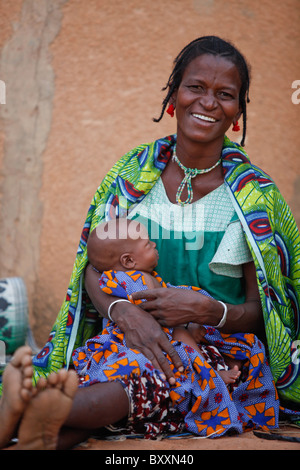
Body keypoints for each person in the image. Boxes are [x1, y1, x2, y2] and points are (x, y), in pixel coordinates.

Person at [2, 35, 299, 449]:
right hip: (126, 336)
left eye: (225, 94)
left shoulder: (253, 197)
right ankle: (34, 427)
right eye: (196, 87)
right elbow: (93, 268)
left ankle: (27, 410)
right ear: (174, 95)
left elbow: (265, 312)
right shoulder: (132, 177)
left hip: (209, 355)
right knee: (120, 374)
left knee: (140, 380)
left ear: (238, 112)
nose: (209, 102)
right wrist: (124, 311)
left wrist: (210, 310)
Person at [85, 217, 242, 385]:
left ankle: (220, 361)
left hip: (153, 337)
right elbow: (157, 316)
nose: (154, 244)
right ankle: (210, 376)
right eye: (147, 244)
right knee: (182, 334)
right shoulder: (137, 281)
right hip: (147, 340)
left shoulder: (132, 277)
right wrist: (188, 325)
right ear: (129, 261)